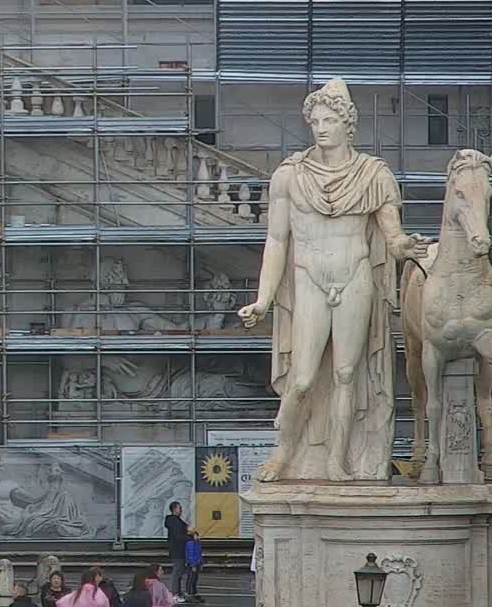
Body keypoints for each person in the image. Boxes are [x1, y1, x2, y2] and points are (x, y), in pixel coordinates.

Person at [237, 78, 429, 482]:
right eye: (315, 121)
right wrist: (263, 300)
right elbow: (276, 241)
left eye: (329, 120)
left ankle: (336, 459)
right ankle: (284, 452)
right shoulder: (290, 175)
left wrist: (405, 246)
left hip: (355, 277)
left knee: (347, 374)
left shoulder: (374, 175)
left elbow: (391, 236)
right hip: (309, 280)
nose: (320, 128)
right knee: (302, 378)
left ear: (347, 124)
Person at [163, 502, 191, 599]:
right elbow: (178, 536)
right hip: (177, 549)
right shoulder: (174, 521)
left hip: (179, 549)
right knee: (177, 572)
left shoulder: (176, 520)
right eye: (180, 508)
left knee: (180, 571)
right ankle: (175, 594)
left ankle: (178, 592)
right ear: (174, 509)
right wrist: (190, 537)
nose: (181, 510)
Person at [184, 534, 204, 604]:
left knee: (195, 579)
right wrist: (193, 565)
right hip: (192, 564)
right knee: (191, 579)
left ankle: (194, 593)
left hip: (197, 563)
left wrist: (201, 563)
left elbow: (199, 553)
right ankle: (189, 594)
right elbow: (190, 555)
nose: (198, 536)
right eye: (196, 535)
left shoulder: (198, 543)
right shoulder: (190, 543)